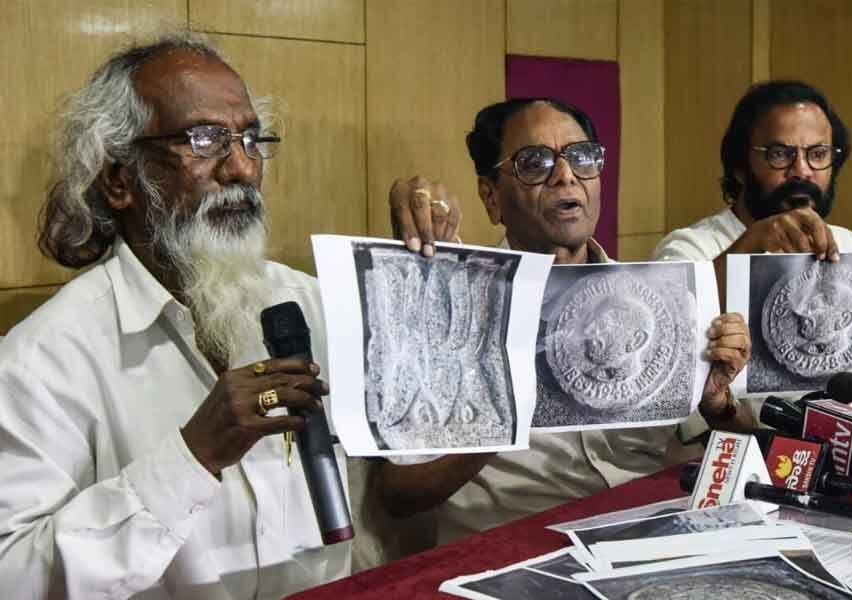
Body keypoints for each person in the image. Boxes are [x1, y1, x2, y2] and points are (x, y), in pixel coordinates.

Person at [0, 34, 350, 599]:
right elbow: (12, 577)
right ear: (120, 180)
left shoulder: (311, 304)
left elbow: (402, 485)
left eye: (250, 138)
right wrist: (193, 456)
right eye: (205, 139)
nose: (241, 167)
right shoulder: (43, 361)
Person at [373, 98, 755, 547]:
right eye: (534, 162)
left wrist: (716, 405)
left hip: (647, 536)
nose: (565, 175)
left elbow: (737, 451)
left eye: (582, 157)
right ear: (491, 195)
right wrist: (507, 416)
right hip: (514, 551)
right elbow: (398, 494)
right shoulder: (449, 314)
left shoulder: (660, 303)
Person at [652, 80, 852, 375]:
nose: (802, 171)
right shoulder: (691, 248)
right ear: (739, 166)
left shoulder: (849, 246)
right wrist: (751, 244)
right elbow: (664, 344)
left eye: (818, 154)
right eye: (780, 154)